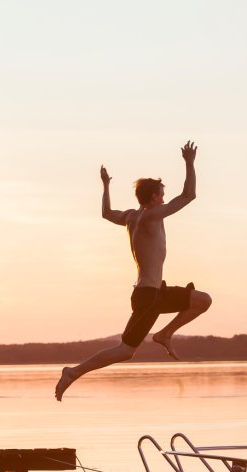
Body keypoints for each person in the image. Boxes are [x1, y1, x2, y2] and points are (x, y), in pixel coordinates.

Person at [55, 140, 212, 401]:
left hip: (155, 291)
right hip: (148, 297)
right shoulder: (151, 216)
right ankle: (73, 372)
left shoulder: (130, 217)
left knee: (203, 300)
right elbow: (188, 195)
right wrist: (189, 163)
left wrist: (106, 186)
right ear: (153, 197)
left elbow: (106, 212)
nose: (164, 198)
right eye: (161, 193)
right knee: (125, 350)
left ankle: (164, 334)